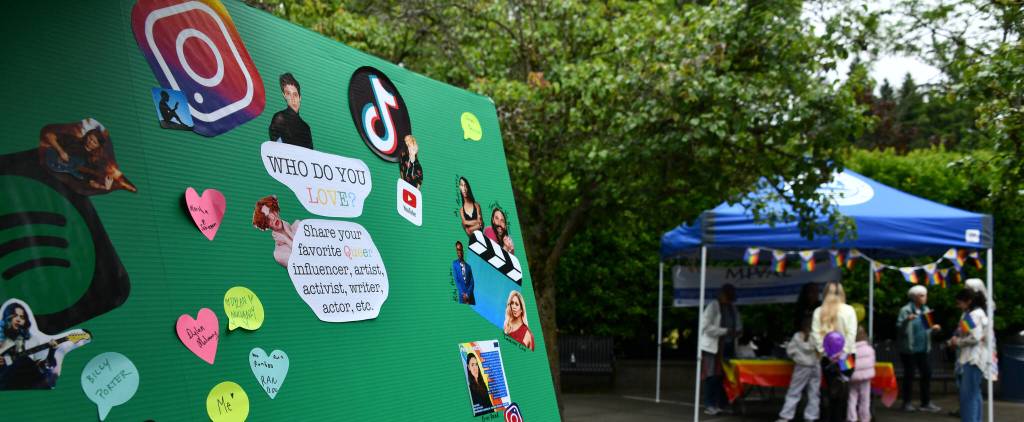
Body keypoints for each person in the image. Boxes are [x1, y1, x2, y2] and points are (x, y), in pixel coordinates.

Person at [811, 281, 857, 422]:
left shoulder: (818, 311)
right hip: (848, 357)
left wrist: (827, 353)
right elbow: (851, 334)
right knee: (843, 390)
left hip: (827, 358)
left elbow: (816, 335)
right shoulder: (849, 310)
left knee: (830, 390)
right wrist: (842, 354)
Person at [895, 285, 942, 413]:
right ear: (914, 297)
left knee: (926, 373)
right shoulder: (905, 310)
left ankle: (925, 403)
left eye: (925, 295)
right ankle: (906, 403)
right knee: (909, 375)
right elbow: (899, 329)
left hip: (923, 348)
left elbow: (928, 328)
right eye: (921, 296)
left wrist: (934, 329)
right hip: (909, 349)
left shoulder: (926, 309)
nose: (925, 298)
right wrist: (907, 320)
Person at [699, 283, 742, 416]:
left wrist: (738, 331)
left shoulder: (733, 308)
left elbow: (738, 325)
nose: (729, 299)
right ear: (722, 294)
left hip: (728, 346)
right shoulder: (713, 306)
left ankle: (722, 404)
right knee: (712, 376)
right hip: (713, 348)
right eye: (727, 296)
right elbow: (705, 327)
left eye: (731, 297)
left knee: (725, 376)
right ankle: (710, 404)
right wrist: (725, 331)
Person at [949, 288, 991, 422]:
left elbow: (975, 337)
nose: (958, 306)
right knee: (974, 394)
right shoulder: (978, 313)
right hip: (977, 358)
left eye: (960, 303)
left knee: (968, 396)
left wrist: (957, 342)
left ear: (968, 301)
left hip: (972, 358)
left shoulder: (972, 315)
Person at [0, 302, 58, 390]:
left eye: (22, 317)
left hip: (26, 381)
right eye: (15, 316)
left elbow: (45, 365)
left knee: (25, 360)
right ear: (7, 317)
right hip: (4, 381)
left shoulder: (32, 340)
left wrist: (52, 351)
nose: (18, 319)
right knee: (24, 359)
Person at [776, 317, 820, 422]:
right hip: (815, 366)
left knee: (794, 391)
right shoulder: (818, 337)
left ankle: (786, 416)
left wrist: (796, 357)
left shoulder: (797, 337)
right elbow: (823, 350)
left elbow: (790, 351)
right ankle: (811, 416)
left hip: (802, 366)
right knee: (814, 392)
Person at [251, 196, 299, 267]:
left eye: (271, 211)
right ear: (265, 225)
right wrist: (286, 240)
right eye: (267, 219)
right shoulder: (279, 254)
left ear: (276, 210)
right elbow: (304, 259)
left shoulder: (298, 225)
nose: (273, 217)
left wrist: (289, 233)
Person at [269, 73, 313, 149]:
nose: (292, 98)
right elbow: (275, 148)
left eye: (295, 94)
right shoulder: (279, 118)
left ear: (300, 97)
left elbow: (310, 153)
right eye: (289, 94)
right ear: (284, 96)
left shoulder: (306, 127)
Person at [848, 326, 876, 422]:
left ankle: (852, 418)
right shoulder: (869, 349)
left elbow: (846, 365)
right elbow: (872, 363)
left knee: (852, 397)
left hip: (853, 377)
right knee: (865, 399)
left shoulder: (850, 350)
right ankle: (865, 418)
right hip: (866, 378)